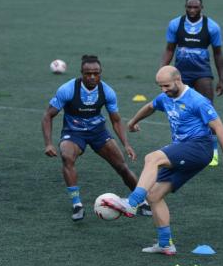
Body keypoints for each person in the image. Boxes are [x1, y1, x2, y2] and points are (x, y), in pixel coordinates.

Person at [103, 66, 223, 255]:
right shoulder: (165, 97)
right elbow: (150, 106)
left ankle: (132, 202)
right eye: (160, 86)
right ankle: (165, 244)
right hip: (183, 149)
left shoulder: (198, 101)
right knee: (154, 195)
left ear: (178, 79)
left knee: (153, 158)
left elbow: (220, 129)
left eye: (166, 85)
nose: (163, 90)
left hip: (199, 148)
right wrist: (133, 122)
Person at [41, 55, 151, 221]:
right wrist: (48, 143)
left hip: (98, 132)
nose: (92, 77)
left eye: (96, 73)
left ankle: (141, 201)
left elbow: (116, 120)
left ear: (100, 73)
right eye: (88, 73)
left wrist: (126, 144)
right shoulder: (68, 89)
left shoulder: (107, 91)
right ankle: (77, 204)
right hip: (74, 131)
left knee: (121, 166)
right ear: (81, 73)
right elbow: (47, 116)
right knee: (67, 157)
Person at [160, 0, 223, 167]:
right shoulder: (176, 24)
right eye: (189, 7)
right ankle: (179, 146)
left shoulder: (212, 27)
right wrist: (163, 70)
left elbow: (218, 53)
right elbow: (169, 49)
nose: (192, 10)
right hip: (180, 74)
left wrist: (221, 79)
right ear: (185, 7)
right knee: (178, 110)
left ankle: (213, 152)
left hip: (202, 72)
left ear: (202, 7)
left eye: (196, 7)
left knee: (208, 111)